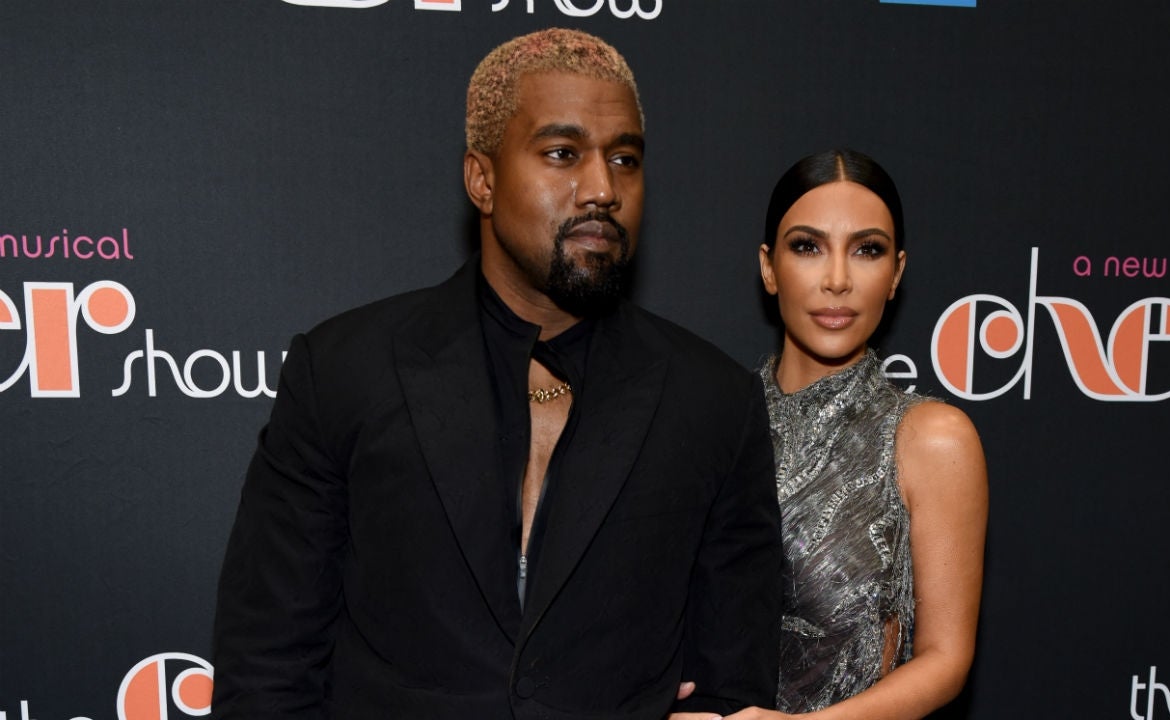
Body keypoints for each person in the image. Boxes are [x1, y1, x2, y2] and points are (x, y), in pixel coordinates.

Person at [210, 28, 782, 720]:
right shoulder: (343, 371)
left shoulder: (713, 400)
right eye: (563, 153)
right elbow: (267, 664)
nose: (603, 188)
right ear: (482, 179)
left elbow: (733, 679)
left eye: (625, 159)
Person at [720, 149, 988, 719]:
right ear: (768, 268)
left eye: (867, 250)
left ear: (896, 274)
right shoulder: (709, 420)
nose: (837, 280)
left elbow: (945, 659)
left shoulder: (932, 439)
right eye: (807, 247)